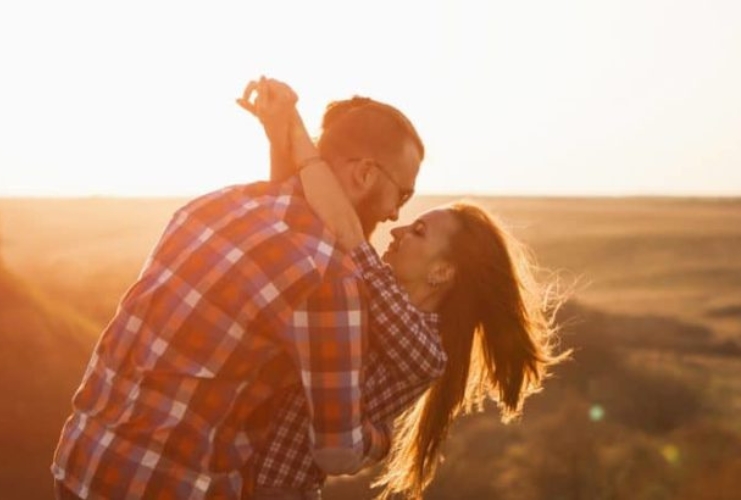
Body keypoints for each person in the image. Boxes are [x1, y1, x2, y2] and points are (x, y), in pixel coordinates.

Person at [50, 80, 435, 499]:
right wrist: (384, 438)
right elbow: (337, 449)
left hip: (83, 464)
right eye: (403, 193)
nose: (395, 212)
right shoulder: (331, 279)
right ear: (363, 174)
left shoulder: (214, 205)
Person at [241, 78, 569, 500]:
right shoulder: (370, 297)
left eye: (417, 231)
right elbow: (300, 223)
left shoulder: (423, 350)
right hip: (239, 475)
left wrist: (296, 132)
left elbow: (341, 225)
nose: (396, 228)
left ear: (442, 273)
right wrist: (277, 135)